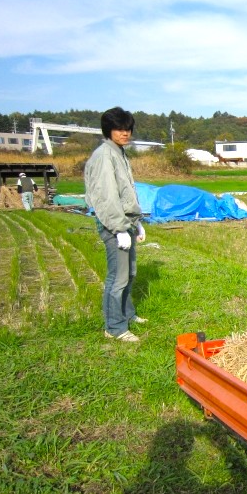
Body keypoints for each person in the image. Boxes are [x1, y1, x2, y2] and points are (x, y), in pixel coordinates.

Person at [84, 107, 146, 343]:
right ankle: (115, 327)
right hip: (114, 226)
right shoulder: (104, 156)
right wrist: (119, 229)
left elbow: (126, 193)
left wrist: (136, 223)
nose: (125, 133)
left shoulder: (119, 153)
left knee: (129, 273)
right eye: (119, 128)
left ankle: (127, 314)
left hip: (126, 223)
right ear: (108, 130)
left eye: (128, 128)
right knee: (117, 278)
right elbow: (106, 196)